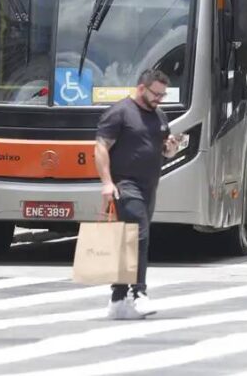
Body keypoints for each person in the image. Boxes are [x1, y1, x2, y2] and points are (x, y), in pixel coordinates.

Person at [95, 69, 181, 320]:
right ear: (141, 88)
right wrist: (107, 183)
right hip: (125, 184)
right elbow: (100, 148)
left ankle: (118, 299)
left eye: (163, 95)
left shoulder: (159, 115)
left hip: (149, 186)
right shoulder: (120, 112)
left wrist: (171, 149)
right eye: (156, 94)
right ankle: (138, 292)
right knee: (139, 235)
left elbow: (163, 150)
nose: (159, 99)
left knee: (128, 240)